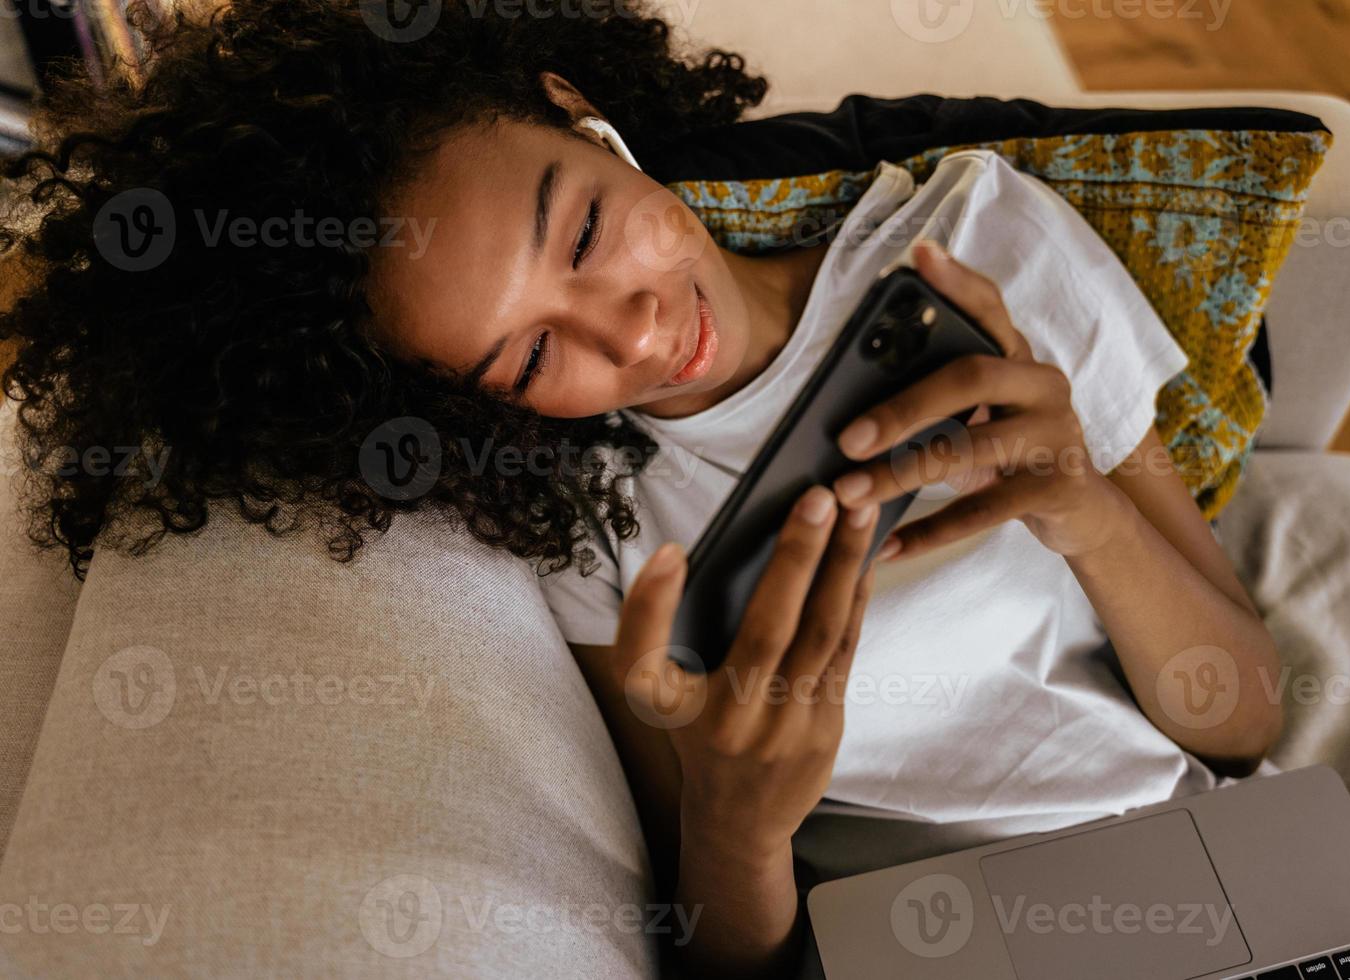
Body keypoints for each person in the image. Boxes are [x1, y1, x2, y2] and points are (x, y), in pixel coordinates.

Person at [0, 2, 1282, 977]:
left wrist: (1086, 506)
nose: (630, 333)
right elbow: (727, 952)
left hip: (1209, 865)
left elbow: (1246, 718)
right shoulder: (587, 528)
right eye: (534, 354)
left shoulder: (984, 250)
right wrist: (737, 812)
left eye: (584, 233)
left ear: (579, 111)